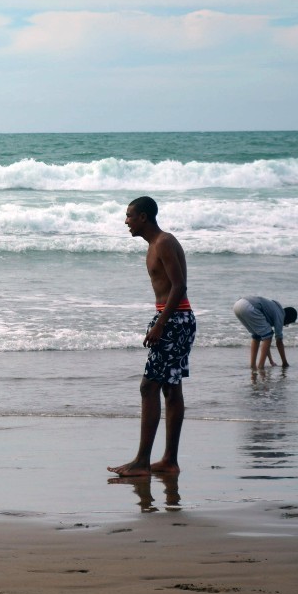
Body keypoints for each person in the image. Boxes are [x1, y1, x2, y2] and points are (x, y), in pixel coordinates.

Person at [109, 197, 195, 478]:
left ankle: (142, 462)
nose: (126, 222)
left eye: (129, 216)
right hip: (174, 319)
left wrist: (160, 324)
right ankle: (169, 460)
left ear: (143, 217)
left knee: (149, 387)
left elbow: (180, 285)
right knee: (171, 388)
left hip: (174, 320)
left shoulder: (163, 243)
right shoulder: (154, 245)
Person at [233, 297, 297, 369]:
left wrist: (271, 361)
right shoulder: (280, 315)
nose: (285, 325)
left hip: (238, 305)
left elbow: (265, 342)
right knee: (268, 335)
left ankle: (253, 365)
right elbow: (279, 342)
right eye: (287, 324)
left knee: (257, 336)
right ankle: (261, 366)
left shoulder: (275, 310)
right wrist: (284, 362)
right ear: (288, 319)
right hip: (249, 307)